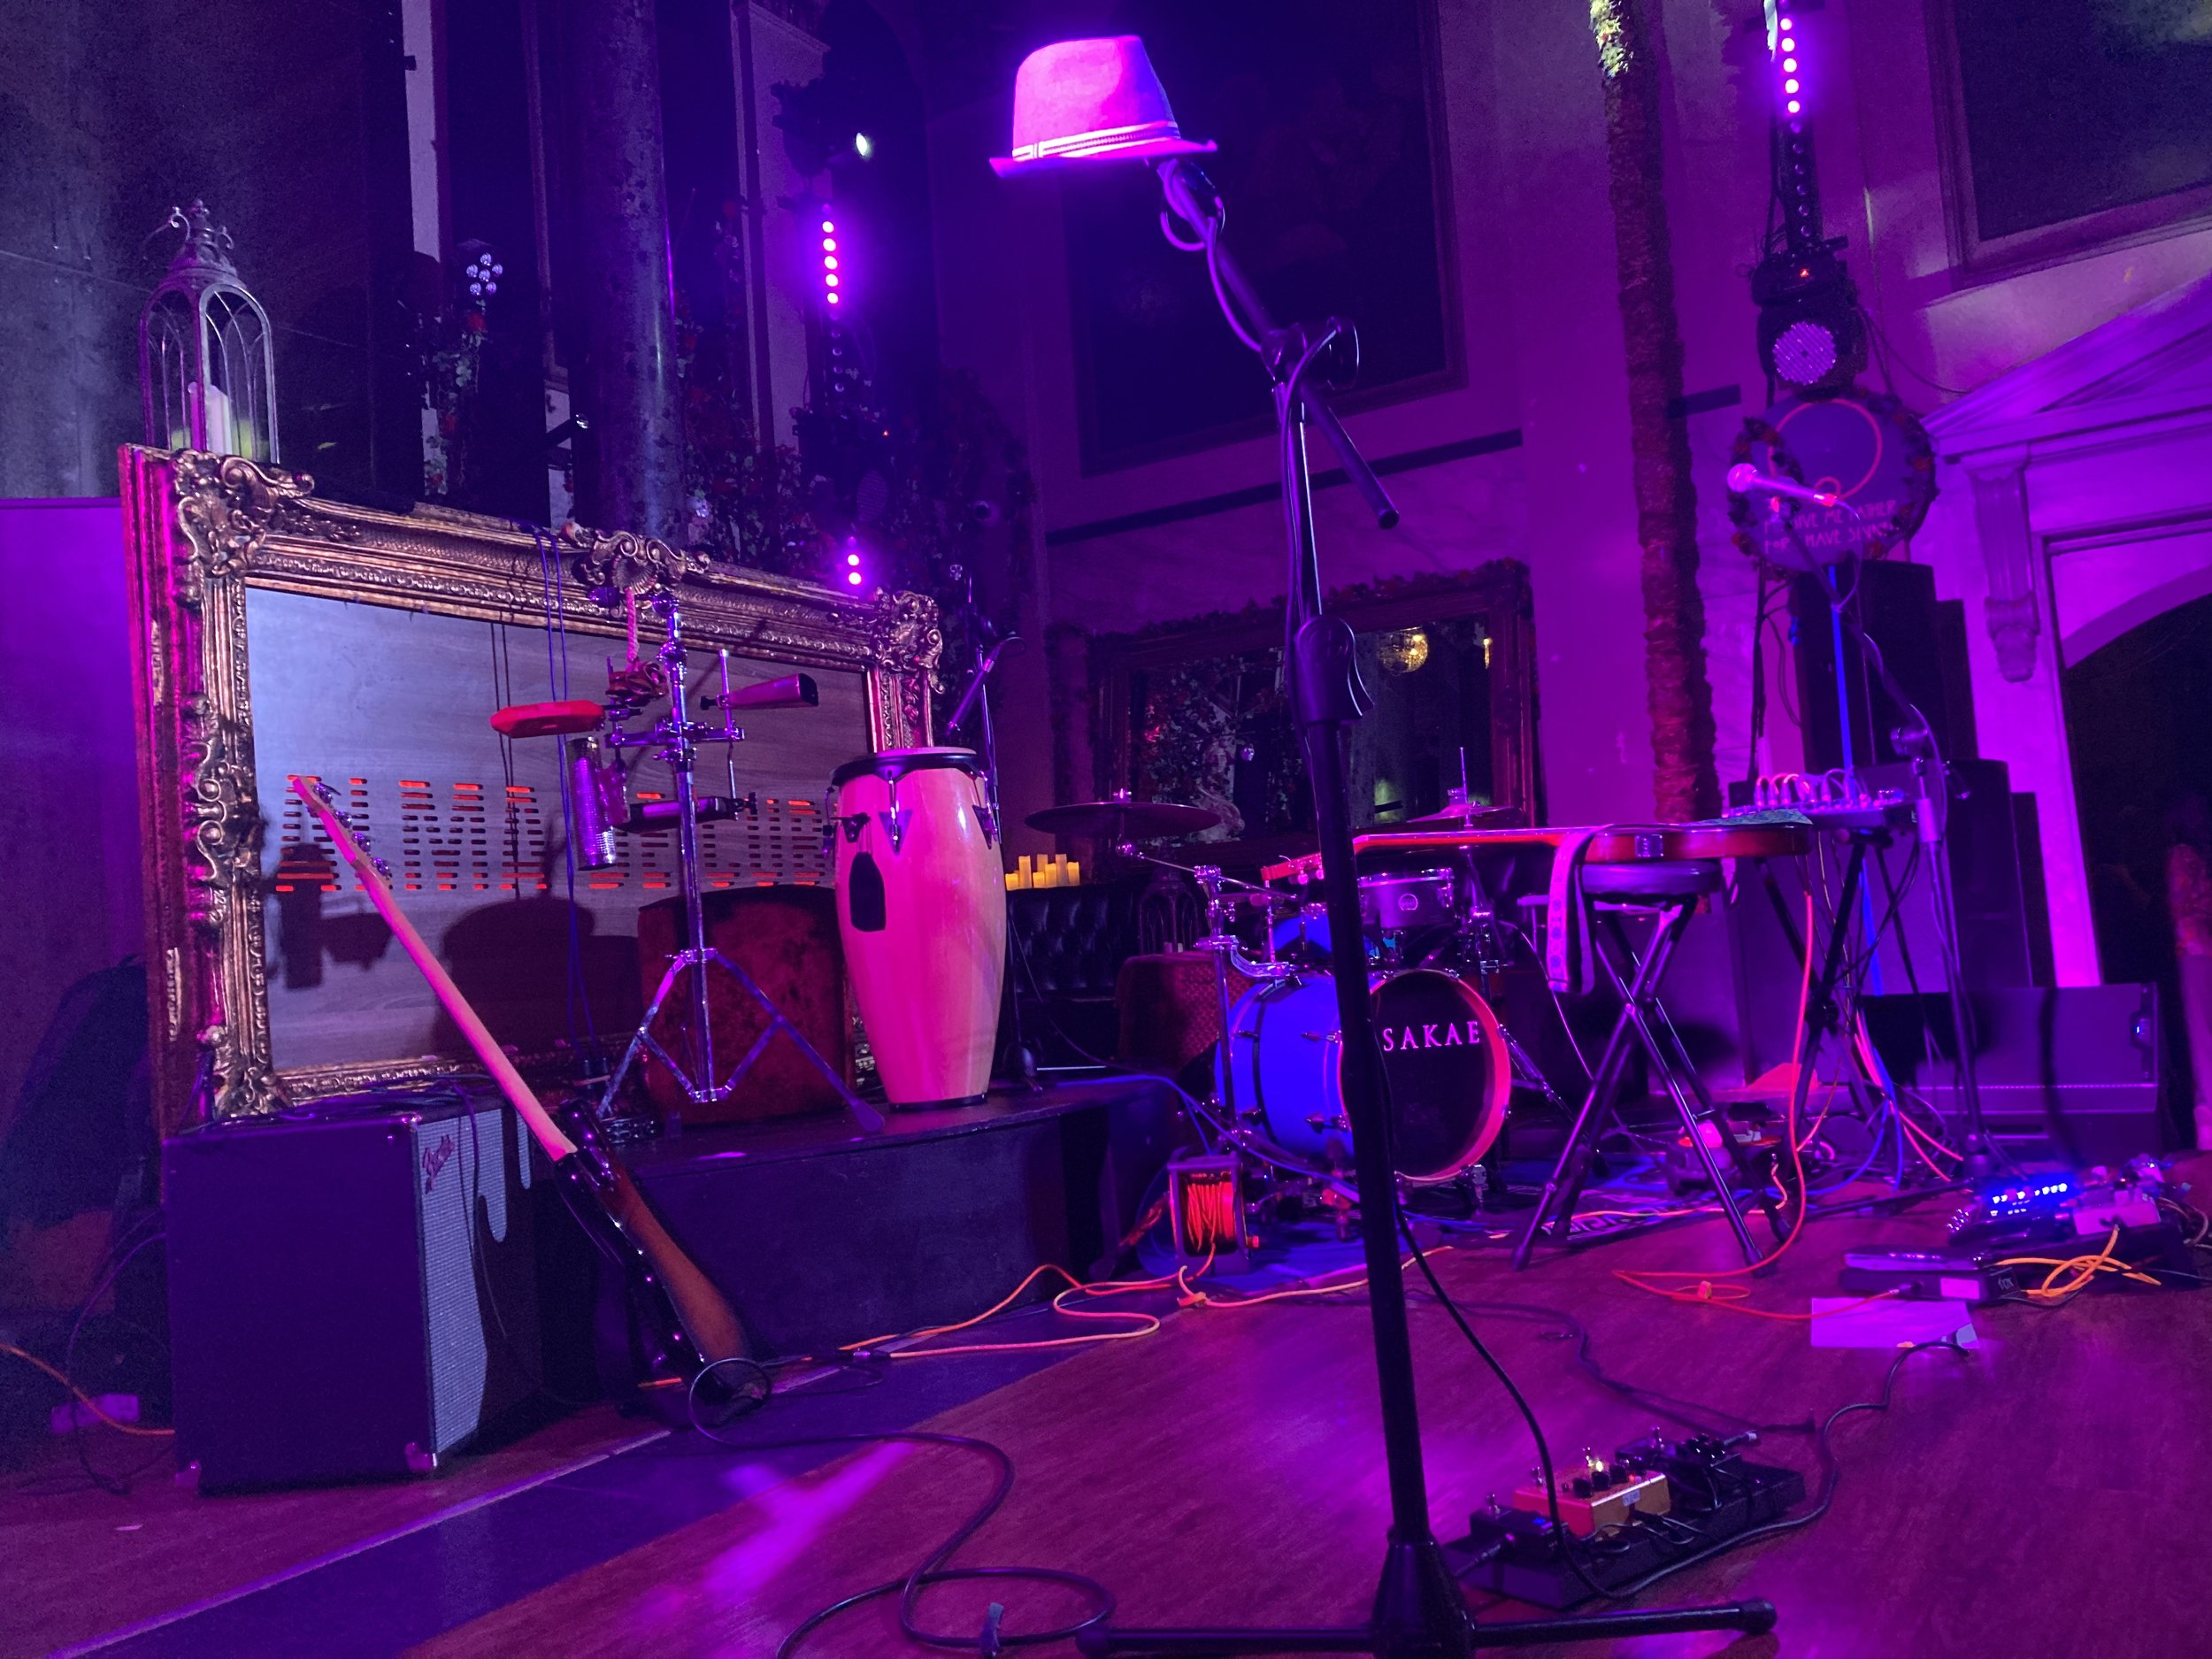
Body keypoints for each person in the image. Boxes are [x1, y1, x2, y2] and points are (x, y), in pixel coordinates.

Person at [2165, 792, 2212, 1150]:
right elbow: (2182, 903)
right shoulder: (2183, 853)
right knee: (2202, 1035)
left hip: (2201, 949)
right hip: (2196, 950)